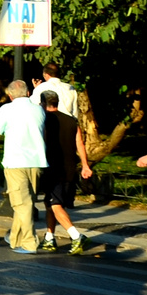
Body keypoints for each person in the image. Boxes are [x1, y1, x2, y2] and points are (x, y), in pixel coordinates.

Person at [0, 81, 48, 254]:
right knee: (26, 202)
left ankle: (29, 243)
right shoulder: (38, 110)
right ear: (28, 92)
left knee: (21, 204)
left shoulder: (6, 110)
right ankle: (15, 238)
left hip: (16, 162)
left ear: (10, 95)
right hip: (37, 161)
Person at [38, 89, 93, 254]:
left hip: (52, 167)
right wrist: (85, 165)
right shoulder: (71, 121)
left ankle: (76, 236)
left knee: (54, 204)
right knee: (52, 202)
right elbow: (80, 144)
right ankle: (49, 237)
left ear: (43, 103)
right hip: (69, 167)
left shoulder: (43, 121)